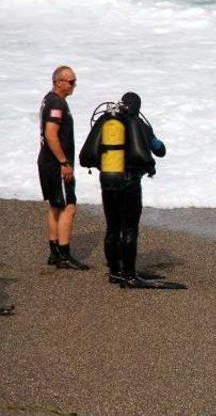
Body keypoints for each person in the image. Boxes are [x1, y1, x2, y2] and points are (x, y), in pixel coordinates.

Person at [81, 92, 175, 288]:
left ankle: (115, 272)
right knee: (130, 228)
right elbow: (160, 149)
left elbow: (88, 154)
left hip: (107, 182)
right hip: (130, 183)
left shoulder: (106, 120)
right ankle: (130, 275)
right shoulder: (138, 124)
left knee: (112, 226)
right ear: (137, 108)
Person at [37, 66, 89, 270]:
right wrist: (64, 163)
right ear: (58, 82)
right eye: (71, 81)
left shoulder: (49, 99)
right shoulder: (57, 103)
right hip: (56, 164)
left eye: (75, 81)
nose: (74, 85)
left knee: (55, 205)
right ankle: (64, 254)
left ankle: (55, 252)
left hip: (47, 162)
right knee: (69, 207)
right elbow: (51, 134)